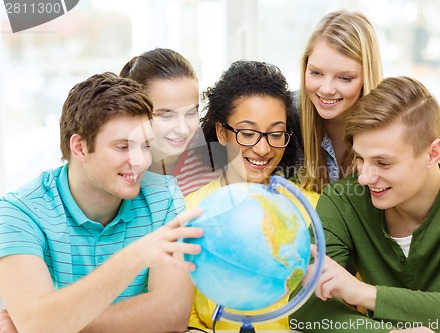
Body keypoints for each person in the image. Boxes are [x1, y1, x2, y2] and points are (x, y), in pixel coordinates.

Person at [290, 76, 440, 333]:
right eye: (360, 158)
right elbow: (304, 309)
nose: (365, 177)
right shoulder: (341, 201)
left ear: (432, 154)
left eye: (384, 163)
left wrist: (364, 294)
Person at [0, 72, 204, 333]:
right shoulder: (18, 213)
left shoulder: (163, 196)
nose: (141, 161)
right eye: (123, 147)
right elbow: (38, 324)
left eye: (144, 145)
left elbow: (172, 314)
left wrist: (57, 322)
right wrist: (132, 258)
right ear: (80, 147)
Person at [187, 60, 320, 331]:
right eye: (248, 133)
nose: (262, 149)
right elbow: (184, 318)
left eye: (276, 134)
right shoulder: (190, 211)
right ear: (222, 132)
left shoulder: (315, 210)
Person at [297, 9, 384, 193]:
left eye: (345, 78)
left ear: (366, 78)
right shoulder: (284, 116)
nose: (326, 89)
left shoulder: (391, 126)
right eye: (316, 73)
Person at [120, 48, 220, 196]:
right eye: (166, 116)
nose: (183, 129)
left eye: (191, 113)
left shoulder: (214, 157)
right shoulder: (119, 166)